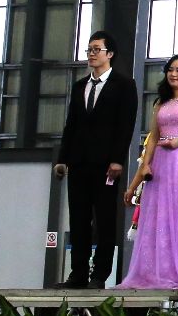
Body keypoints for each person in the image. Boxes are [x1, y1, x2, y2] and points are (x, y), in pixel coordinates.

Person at [118, 55, 178, 290]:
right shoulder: (161, 102)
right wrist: (143, 169)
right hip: (161, 163)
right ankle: (157, 270)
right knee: (159, 216)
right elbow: (153, 137)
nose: (173, 74)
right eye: (170, 69)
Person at [55, 30, 140, 288]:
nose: (91, 54)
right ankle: (78, 273)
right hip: (79, 161)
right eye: (89, 50)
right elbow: (71, 125)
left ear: (109, 54)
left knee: (104, 219)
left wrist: (117, 160)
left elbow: (125, 125)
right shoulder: (79, 86)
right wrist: (62, 159)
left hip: (106, 164)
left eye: (96, 49)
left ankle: (100, 274)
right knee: (79, 218)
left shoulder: (124, 85)